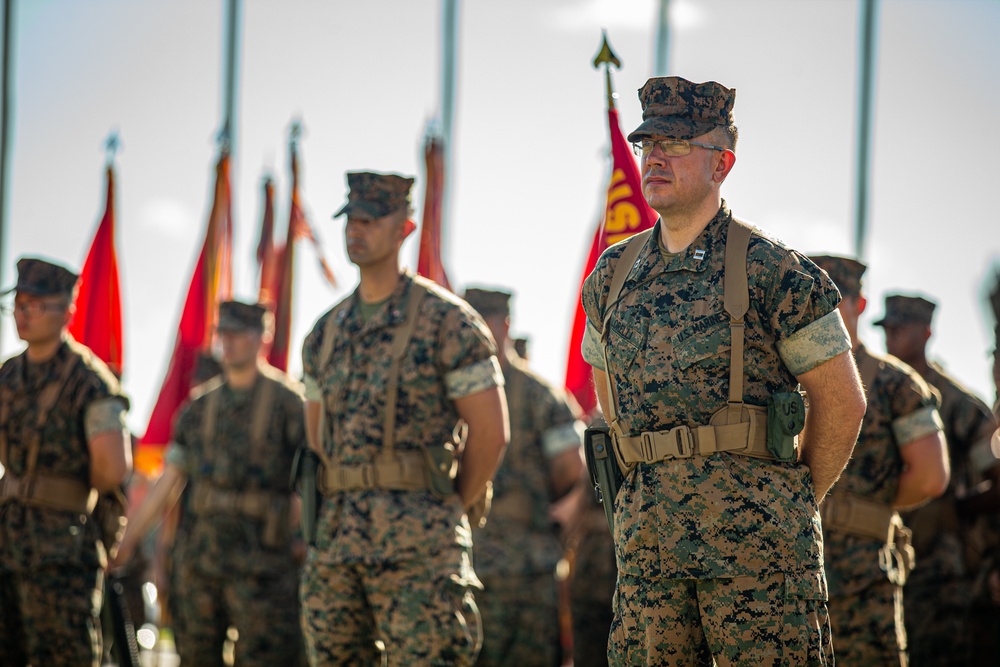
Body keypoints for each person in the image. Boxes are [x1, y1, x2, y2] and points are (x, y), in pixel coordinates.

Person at [580, 76, 867, 665]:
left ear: (722, 163)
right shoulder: (612, 276)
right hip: (648, 554)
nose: (655, 156)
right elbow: (609, 392)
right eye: (648, 143)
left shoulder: (776, 272)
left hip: (758, 561)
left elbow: (842, 402)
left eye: (678, 143)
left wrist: (786, 501)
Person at [300, 171, 508, 666]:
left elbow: (492, 434)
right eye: (351, 218)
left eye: (372, 219)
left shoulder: (448, 322)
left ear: (405, 229)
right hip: (336, 548)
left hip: (422, 548)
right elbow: (317, 439)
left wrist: (450, 507)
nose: (357, 229)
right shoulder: (324, 333)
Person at [113, 300, 307, 666]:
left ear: (262, 338)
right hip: (201, 565)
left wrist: (306, 544)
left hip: (265, 566)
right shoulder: (199, 408)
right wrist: (129, 540)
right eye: (223, 333)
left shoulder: (289, 404)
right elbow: (168, 481)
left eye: (238, 334)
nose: (228, 342)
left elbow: (312, 483)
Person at [811, 255, 949, 665]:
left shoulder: (895, 384)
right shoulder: (777, 377)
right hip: (789, 572)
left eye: (837, 300)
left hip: (863, 580)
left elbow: (929, 476)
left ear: (859, 305)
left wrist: (861, 510)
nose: (825, 311)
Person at [0, 257, 131, 666]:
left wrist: (58, 492)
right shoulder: (7, 376)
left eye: (34, 305)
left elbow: (112, 469)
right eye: (18, 304)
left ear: (66, 311)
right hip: (6, 544)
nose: (23, 314)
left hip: (62, 553)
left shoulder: (89, 380)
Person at [462, 287, 586, 667]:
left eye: (487, 321)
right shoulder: (537, 392)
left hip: (523, 572)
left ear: (505, 325)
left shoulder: (539, 394)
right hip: (470, 566)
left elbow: (571, 472)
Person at [875, 294, 1000, 663]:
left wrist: (952, 511)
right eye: (887, 327)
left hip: (939, 570)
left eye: (901, 327)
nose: (891, 334)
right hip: (878, 556)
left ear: (926, 332)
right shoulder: (875, 389)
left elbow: (998, 480)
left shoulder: (957, 404)